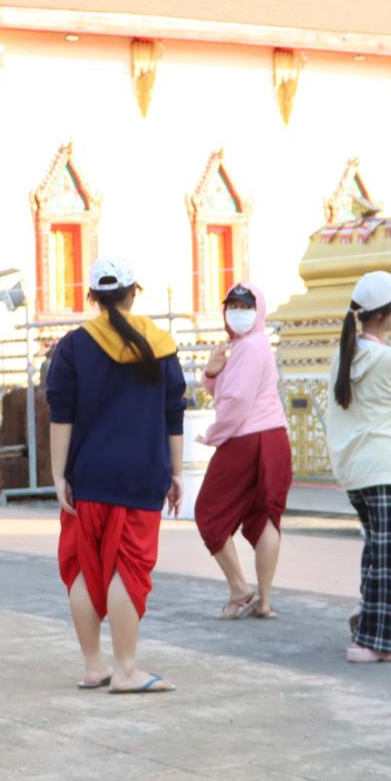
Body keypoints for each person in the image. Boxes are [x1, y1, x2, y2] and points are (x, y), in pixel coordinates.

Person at [44, 256, 188, 694]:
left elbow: (61, 415)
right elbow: (173, 414)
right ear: (133, 293)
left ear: (93, 296)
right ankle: (126, 670)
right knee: (127, 569)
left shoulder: (72, 346)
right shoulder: (159, 344)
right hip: (141, 475)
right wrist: (177, 472)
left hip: (87, 475)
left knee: (86, 569)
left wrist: (58, 476)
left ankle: (94, 665)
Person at [324, 268, 391, 663]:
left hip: (358, 470)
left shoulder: (346, 355)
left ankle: (367, 626)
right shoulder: (387, 360)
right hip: (386, 465)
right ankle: (381, 642)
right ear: (384, 312)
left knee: (377, 552)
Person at [195, 282, 290, 619]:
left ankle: (239, 587)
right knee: (263, 516)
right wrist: (212, 372)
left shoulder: (249, 348)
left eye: (244, 307)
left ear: (258, 310)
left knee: (208, 512)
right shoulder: (252, 345)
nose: (236, 313)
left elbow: (235, 402)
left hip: (247, 438)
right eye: (231, 306)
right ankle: (263, 601)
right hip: (272, 436)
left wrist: (213, 435)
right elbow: (229, 390)